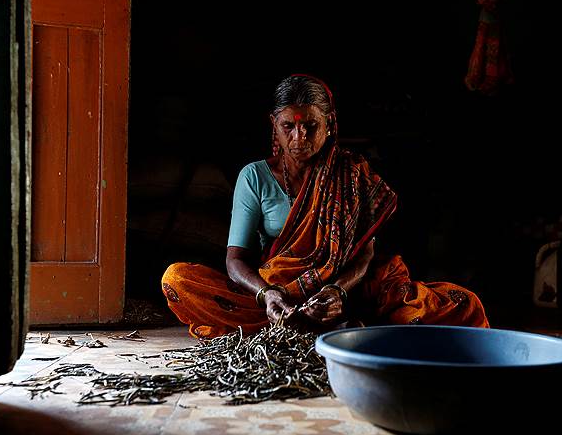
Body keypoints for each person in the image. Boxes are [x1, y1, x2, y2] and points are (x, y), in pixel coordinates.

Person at [162, 74, 489, 338]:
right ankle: (337, 331)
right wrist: (268, 295)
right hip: (279, 296)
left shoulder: (351, 171)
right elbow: (235, 262)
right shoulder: (255, 176)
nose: (299, 137)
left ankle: (332, 324)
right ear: (274, 125)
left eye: (311, 126)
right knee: (177, 279)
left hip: (349, 292)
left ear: (330, 124)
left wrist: (336, 292)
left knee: (461, 304)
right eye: (288, 126)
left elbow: (364, 254)